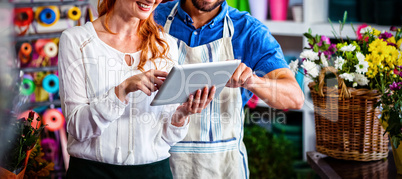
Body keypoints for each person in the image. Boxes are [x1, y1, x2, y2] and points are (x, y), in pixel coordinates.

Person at [58, 0, 215, 178]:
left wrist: (182, 114)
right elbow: (77, 127)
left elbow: (168, 137)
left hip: (155, 172)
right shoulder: (76, 40)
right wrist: (122, 89)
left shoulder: (166, 45)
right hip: (93, 173)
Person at [154, 0, 305, 178]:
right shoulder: (153, 17)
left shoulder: (248, 30)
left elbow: (295, 97)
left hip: (224, 168)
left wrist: (252, 81)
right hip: (163, 165)